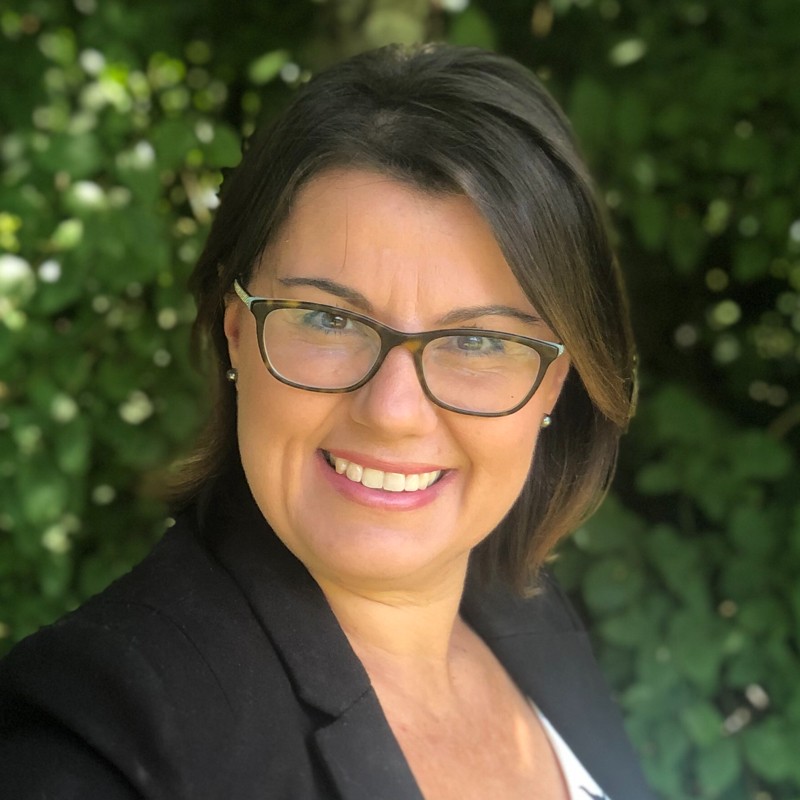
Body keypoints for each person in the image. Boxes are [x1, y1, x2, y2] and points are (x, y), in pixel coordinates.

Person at [0, 43, 652, 799]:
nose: (393, 412)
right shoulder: (95, 750)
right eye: (329, 319)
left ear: (555, 383)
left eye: (478, 341)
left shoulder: (530, 620)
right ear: (235, 333)